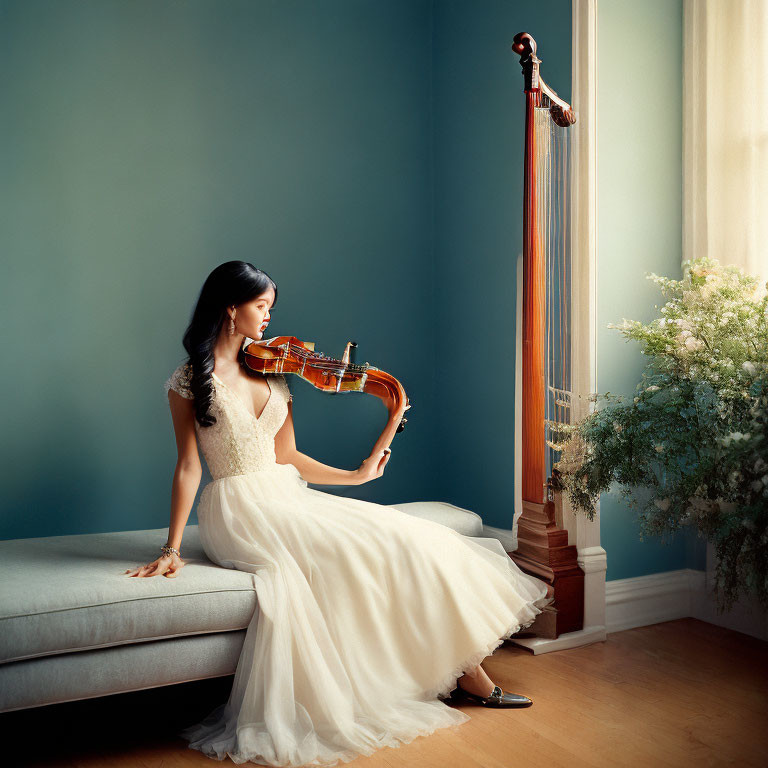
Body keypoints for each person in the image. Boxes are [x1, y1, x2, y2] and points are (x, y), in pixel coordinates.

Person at [126, 261, 555, 767]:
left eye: (270, 308)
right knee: (352, 550)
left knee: (412, 537)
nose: (268, 317)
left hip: (288, 494)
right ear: (230, 307)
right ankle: (471, 680)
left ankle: (465, 672)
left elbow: (286, 456)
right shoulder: (188, 381)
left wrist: (354, 477)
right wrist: (172, 549)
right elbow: (189, 467)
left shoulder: (272, 371)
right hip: (240, 510)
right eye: (261, 306)